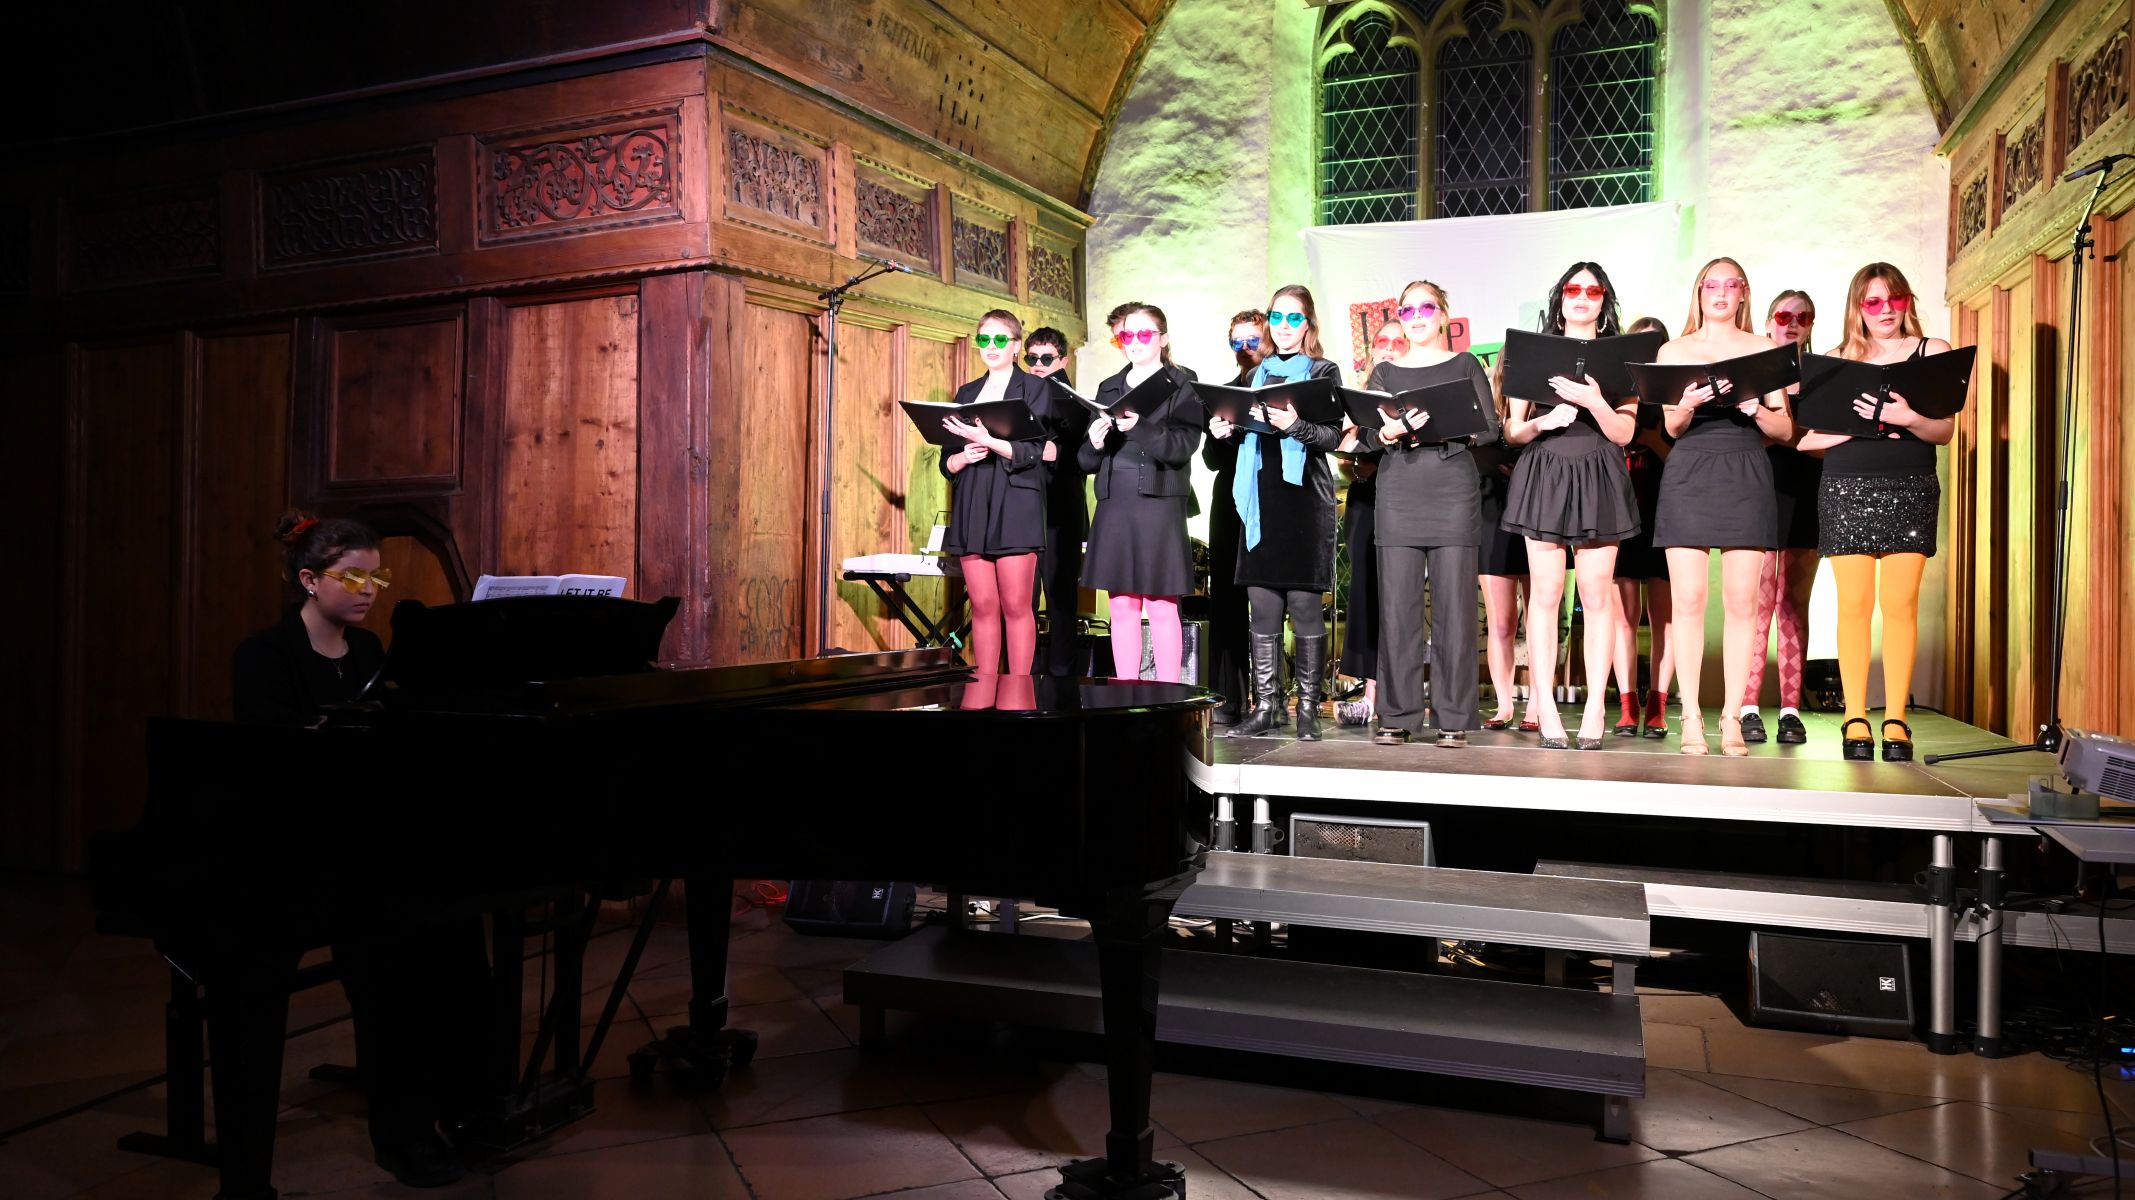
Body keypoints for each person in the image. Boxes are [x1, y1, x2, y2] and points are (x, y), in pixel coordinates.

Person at [231, 513, 485, 1188]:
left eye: (376, 576)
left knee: (459, 934)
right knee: (392, 960)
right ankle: (403, 1135)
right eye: (352, 576)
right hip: (303, 850)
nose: (369, 589)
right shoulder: (265, 655)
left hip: (370, 840)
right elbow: (271, 764)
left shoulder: (371, 650)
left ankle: (466, 1106)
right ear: (309, 580)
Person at [1797, 263, 1954, 761]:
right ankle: (1854, 716)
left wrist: (1906, 417)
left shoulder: (1933, 352)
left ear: (1907, 301)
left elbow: (1944, 431)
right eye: (1873, 301)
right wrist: (1858, 427)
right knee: (1854, 604)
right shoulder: (1835, 361)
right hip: (1847, 486)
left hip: (1910, 485)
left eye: (1894, 299)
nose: (1886, 310)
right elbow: (1807, 441)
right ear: (1857, 307)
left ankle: (1897, 719)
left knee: (1901, 604)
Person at [1653, 258, 1795, 756]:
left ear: (1743, 293)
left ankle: (1732, 716)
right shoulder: (1675, 350)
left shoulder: (1764, 349)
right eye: (1710, 284)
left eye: (1730, 285)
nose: (1719, 293)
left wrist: (1755, 408)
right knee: (1688, 601)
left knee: (1742, 603)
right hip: (1690, 471)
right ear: (1698, 292)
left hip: (1745, 469)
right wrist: (1688, 404)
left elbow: (1785, 429)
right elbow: (1671, 427)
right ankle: (1691, 715)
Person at [1498, 263, 1643, 749]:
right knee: (1544, 595)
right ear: (1560, 297)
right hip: (1546, 470)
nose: (1582, 296)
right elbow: (1513, 430)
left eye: (1593, 290)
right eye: (1573, 288)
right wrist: (1543, 422)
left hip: (1600, 470)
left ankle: (1596, 707)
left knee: (1598, 596)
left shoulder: (1622, 357)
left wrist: (1595, 402)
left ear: (1604, 301)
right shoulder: (1533, 351)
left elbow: (1625, 432)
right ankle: (1546, 707)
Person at [1365, 280, 1500, 747]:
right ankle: (1397, 714)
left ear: (1444, 315)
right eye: (1407, 309)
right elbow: (1367, 436)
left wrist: (1446, 423)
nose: (1417, 316)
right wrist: (1389, 432)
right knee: (1398, 609)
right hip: (1399, 493)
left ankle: (1454, 715)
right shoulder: (1385, 372)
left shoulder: (1465, 365)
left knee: (1455, 611)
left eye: (1426, 307)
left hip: (1452, 491)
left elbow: (1490, 429)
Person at [1213, 285, 1345, 740]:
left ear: (1308, 323)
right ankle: (1266, 706)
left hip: (1305, 499)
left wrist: (1297, 426)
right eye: (1277, 317)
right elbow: (1245, 429)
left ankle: (1307, 708)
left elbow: (1332, 436)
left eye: (1293, 318)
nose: (1284, 326)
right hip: (1260, 500)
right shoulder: (1255, 374)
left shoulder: (1323, 371)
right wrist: (1225, 430)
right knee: (1263, 607)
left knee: (1305, 606)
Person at [1079, 304, 1203, 681]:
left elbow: (1184, 446)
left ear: (1163, 339)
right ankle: (1127, 689)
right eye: (1127, 335)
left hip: (1159, 501)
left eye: (1144, 334)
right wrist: (1094, 442)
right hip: (1115, 501)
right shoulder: (1109, 387)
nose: (1134, 342)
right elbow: (1085, 460)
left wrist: (1141, 427)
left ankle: (1168, 694)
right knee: (1121, 604)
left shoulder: (1182, 382)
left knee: (1162, 604)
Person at [941, 309, 1053, 675]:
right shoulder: (967, 392)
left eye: (1000, 339)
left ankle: (1019, 692)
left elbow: (1036, 451)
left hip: (1016, 500)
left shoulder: (1034, 388)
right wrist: (963, 457)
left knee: (1017, 606)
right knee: (983, 606)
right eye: (984, 339)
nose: (991, 346)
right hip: (974, 499)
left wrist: (989, 441)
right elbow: (947, 461)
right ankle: (985, 687)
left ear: (1016, 346)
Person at [1741, 291, 1822, 744]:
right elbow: (1744, 438)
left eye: (1802, 317)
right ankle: (1747, 705)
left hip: (1806, 492)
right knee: (1756, 604)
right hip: (1758, 490)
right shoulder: (1754, 373)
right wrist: (1791, 436)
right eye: (1784, 315)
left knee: (1793, 603)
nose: (1792, 323)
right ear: (1769, 320)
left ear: (1811, 324)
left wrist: (1785, 435)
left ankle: (1790, 709)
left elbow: (1823, 439)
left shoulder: (1819, 376)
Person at [1335, 318, 1405, 726]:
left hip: (1408, 501)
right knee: (1365, 593)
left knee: (1401, 595)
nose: (1389, 347)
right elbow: (1344, 456)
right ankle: (1371, 691)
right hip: (1366, 501)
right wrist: (1360, 466)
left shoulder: (1416, 393)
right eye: (1383, 341)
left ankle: (1401, 689)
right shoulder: (1357, 398)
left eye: (1398, 341)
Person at [1203, 310, 1270, 723]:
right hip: (1228, 501)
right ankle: (1227, 698)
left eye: (1252, 340)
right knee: (1227, 600)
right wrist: (1218, 435)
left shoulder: (1281, 390)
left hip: (1270, 500)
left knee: (1267, 600)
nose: (1244, 349)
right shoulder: (1223, 393)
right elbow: (1210, 460)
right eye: (1237, 342)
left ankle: (1269, 699)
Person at [1612, 314, 1676, 738]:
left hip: (1666, 508)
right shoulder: (1616, 393)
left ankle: (1657, 704)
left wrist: (1652, 440)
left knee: (1664, 618)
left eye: (1654, 343)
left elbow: (1686, 459)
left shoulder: (1674, 396)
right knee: (1623, 617)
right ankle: (1627, 704)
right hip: (1620, 509)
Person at [1020, 326, 1090, 676]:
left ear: (1062, 360)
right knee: (1023, 601)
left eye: (1046, 359)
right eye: (1031, 358)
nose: (1037, 364)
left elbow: (1088, 457)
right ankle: (1025, 675)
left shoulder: (1075, 401)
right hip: (1025, 509)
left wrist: (1056, 453)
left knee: (1061, 602)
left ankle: (1063, 682)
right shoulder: (1021, 395)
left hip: (1061, 511)